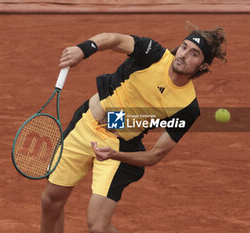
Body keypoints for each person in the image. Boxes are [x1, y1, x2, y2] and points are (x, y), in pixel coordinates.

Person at [40, 24, 227, 233]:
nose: (184, 55)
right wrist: (84, 49)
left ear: (202, 66)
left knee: (97, 227)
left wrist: (115, 154)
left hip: (117, 147)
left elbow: (154, 155)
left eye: (195, 54)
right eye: (184, 47)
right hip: (85, 124)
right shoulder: (153, 54)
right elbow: (115, 39)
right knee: (51, 201)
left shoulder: (187, 107)